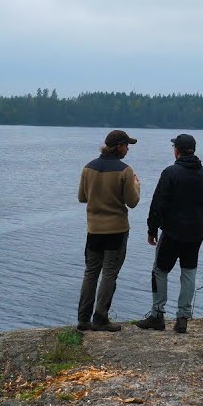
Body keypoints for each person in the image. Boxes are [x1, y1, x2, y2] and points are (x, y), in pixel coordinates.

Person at [137, 133, 203, 334]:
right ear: (194, 150)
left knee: (160, 271)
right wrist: (202, 226)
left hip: (172, 232)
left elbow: (158, 203)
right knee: (188, 272)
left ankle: (157, 315)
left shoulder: (171, 173)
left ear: (177, 151)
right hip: (195, 233)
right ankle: (182, 318)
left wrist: (152, 229)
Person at [76, 129, 141, 332]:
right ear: (119, 146)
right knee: (109, 273)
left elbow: (82, 197)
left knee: (91, 273)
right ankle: (101, 318)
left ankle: (83, 319)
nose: (128, 149)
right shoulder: (125, 171)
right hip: (116, 230)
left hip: (94, 230)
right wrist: (137, 186)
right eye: (126, 145)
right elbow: (133, 202)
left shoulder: (88, 168)